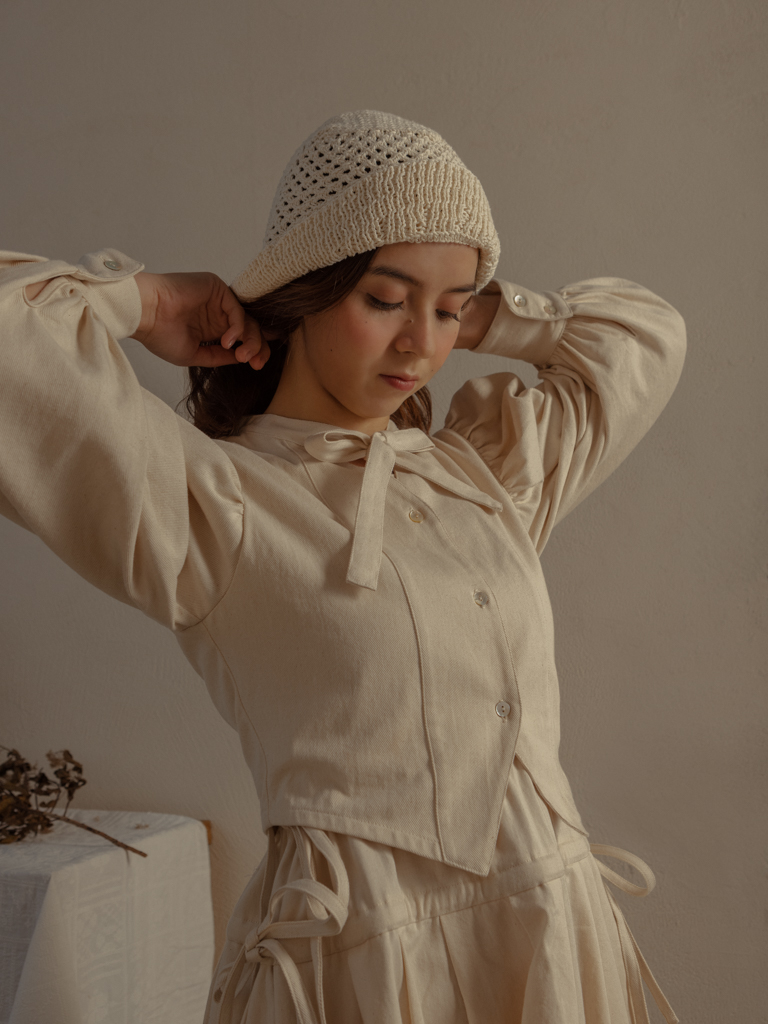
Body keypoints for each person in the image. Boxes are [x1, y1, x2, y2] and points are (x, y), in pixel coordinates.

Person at [1, 110, 685, 1024]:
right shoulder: (211, 502)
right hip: (358, 969)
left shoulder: (485, 475)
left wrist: (465, 304)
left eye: (447, 312)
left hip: (551, 934)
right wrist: (150, 302)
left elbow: (644, 336)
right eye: (383, 299)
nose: (421, 346)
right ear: (302, 293)